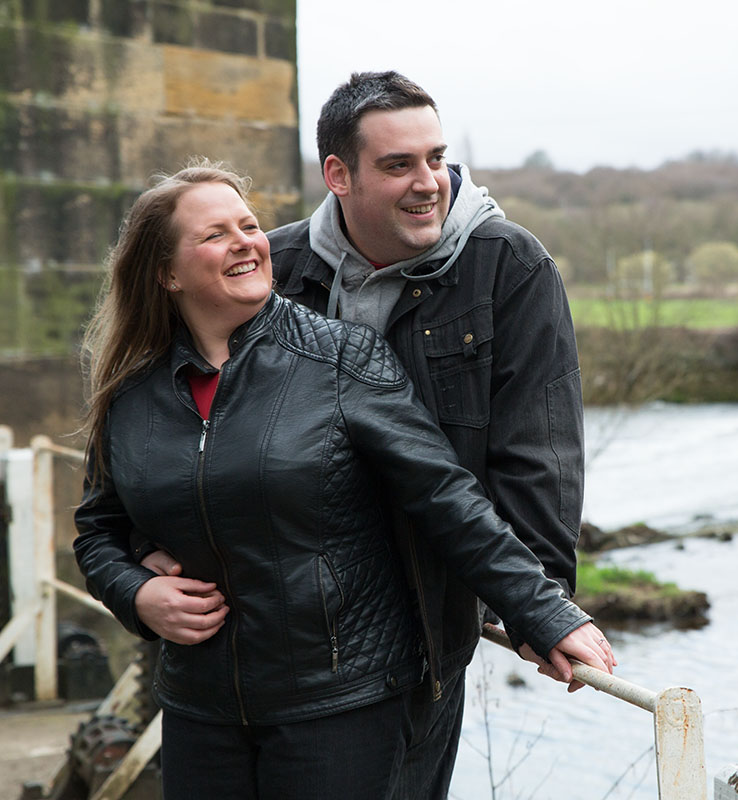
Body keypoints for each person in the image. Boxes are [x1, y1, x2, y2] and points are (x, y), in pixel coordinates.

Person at [74, 162, 615, 800]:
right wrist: (136, 594)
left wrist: (543, 610)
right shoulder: (133, 390)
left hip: (339, 705)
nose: (248, 240)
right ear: (166, 272)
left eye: (249, 225)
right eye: (216, 234)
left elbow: (446, 498)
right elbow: (99, 529)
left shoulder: (341, 359)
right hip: (201, 707)